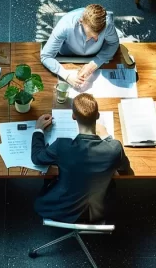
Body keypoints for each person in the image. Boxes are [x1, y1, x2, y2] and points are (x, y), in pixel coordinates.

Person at [30, 93, 131, 223]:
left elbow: (37, 158)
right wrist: (107, 136)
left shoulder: (62, 146)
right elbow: (125, 169)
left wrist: (38, 130)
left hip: (60, 209)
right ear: (98, 116)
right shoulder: (114, 148)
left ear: (73, 116)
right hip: (99, 211)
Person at [40, 4, 120, 88]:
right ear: (81, 21)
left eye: (99, 35)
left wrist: (94, 63)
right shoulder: (65, 25)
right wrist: (67, 76)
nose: (96, 39)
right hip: (66, 55)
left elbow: (113, 43)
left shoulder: (107, 24)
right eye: (91, 35)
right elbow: (45, 56)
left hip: (95, 56)